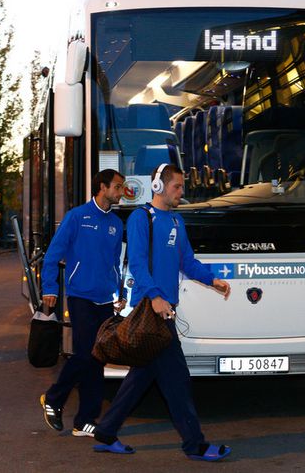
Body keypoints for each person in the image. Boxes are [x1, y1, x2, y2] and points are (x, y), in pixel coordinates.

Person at [93, 164, 232, 461]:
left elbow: (188, 262)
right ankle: (194, 445)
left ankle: (105, 432)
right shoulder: (142, 219)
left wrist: (213, 279)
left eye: (182, 188)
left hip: (164, 308)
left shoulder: (177, 222)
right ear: (159, 187)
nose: (182, 193)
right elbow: (139, 264)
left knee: (141, 377)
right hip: (152, 311)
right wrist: (155, 296)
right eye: (177, 187)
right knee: (177, 380)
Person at [39, 169, 125, 438]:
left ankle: (85, 421)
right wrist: (50, 288)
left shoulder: (116, 224)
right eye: (118, 187)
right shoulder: (77, 217)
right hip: (80, 297)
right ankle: (53, 398)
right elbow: (53, 255)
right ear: (102, 187)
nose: (122, 192)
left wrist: (120, 292)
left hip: (104, 300)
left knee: (97, 359)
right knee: (86, 354)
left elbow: (115, 262)